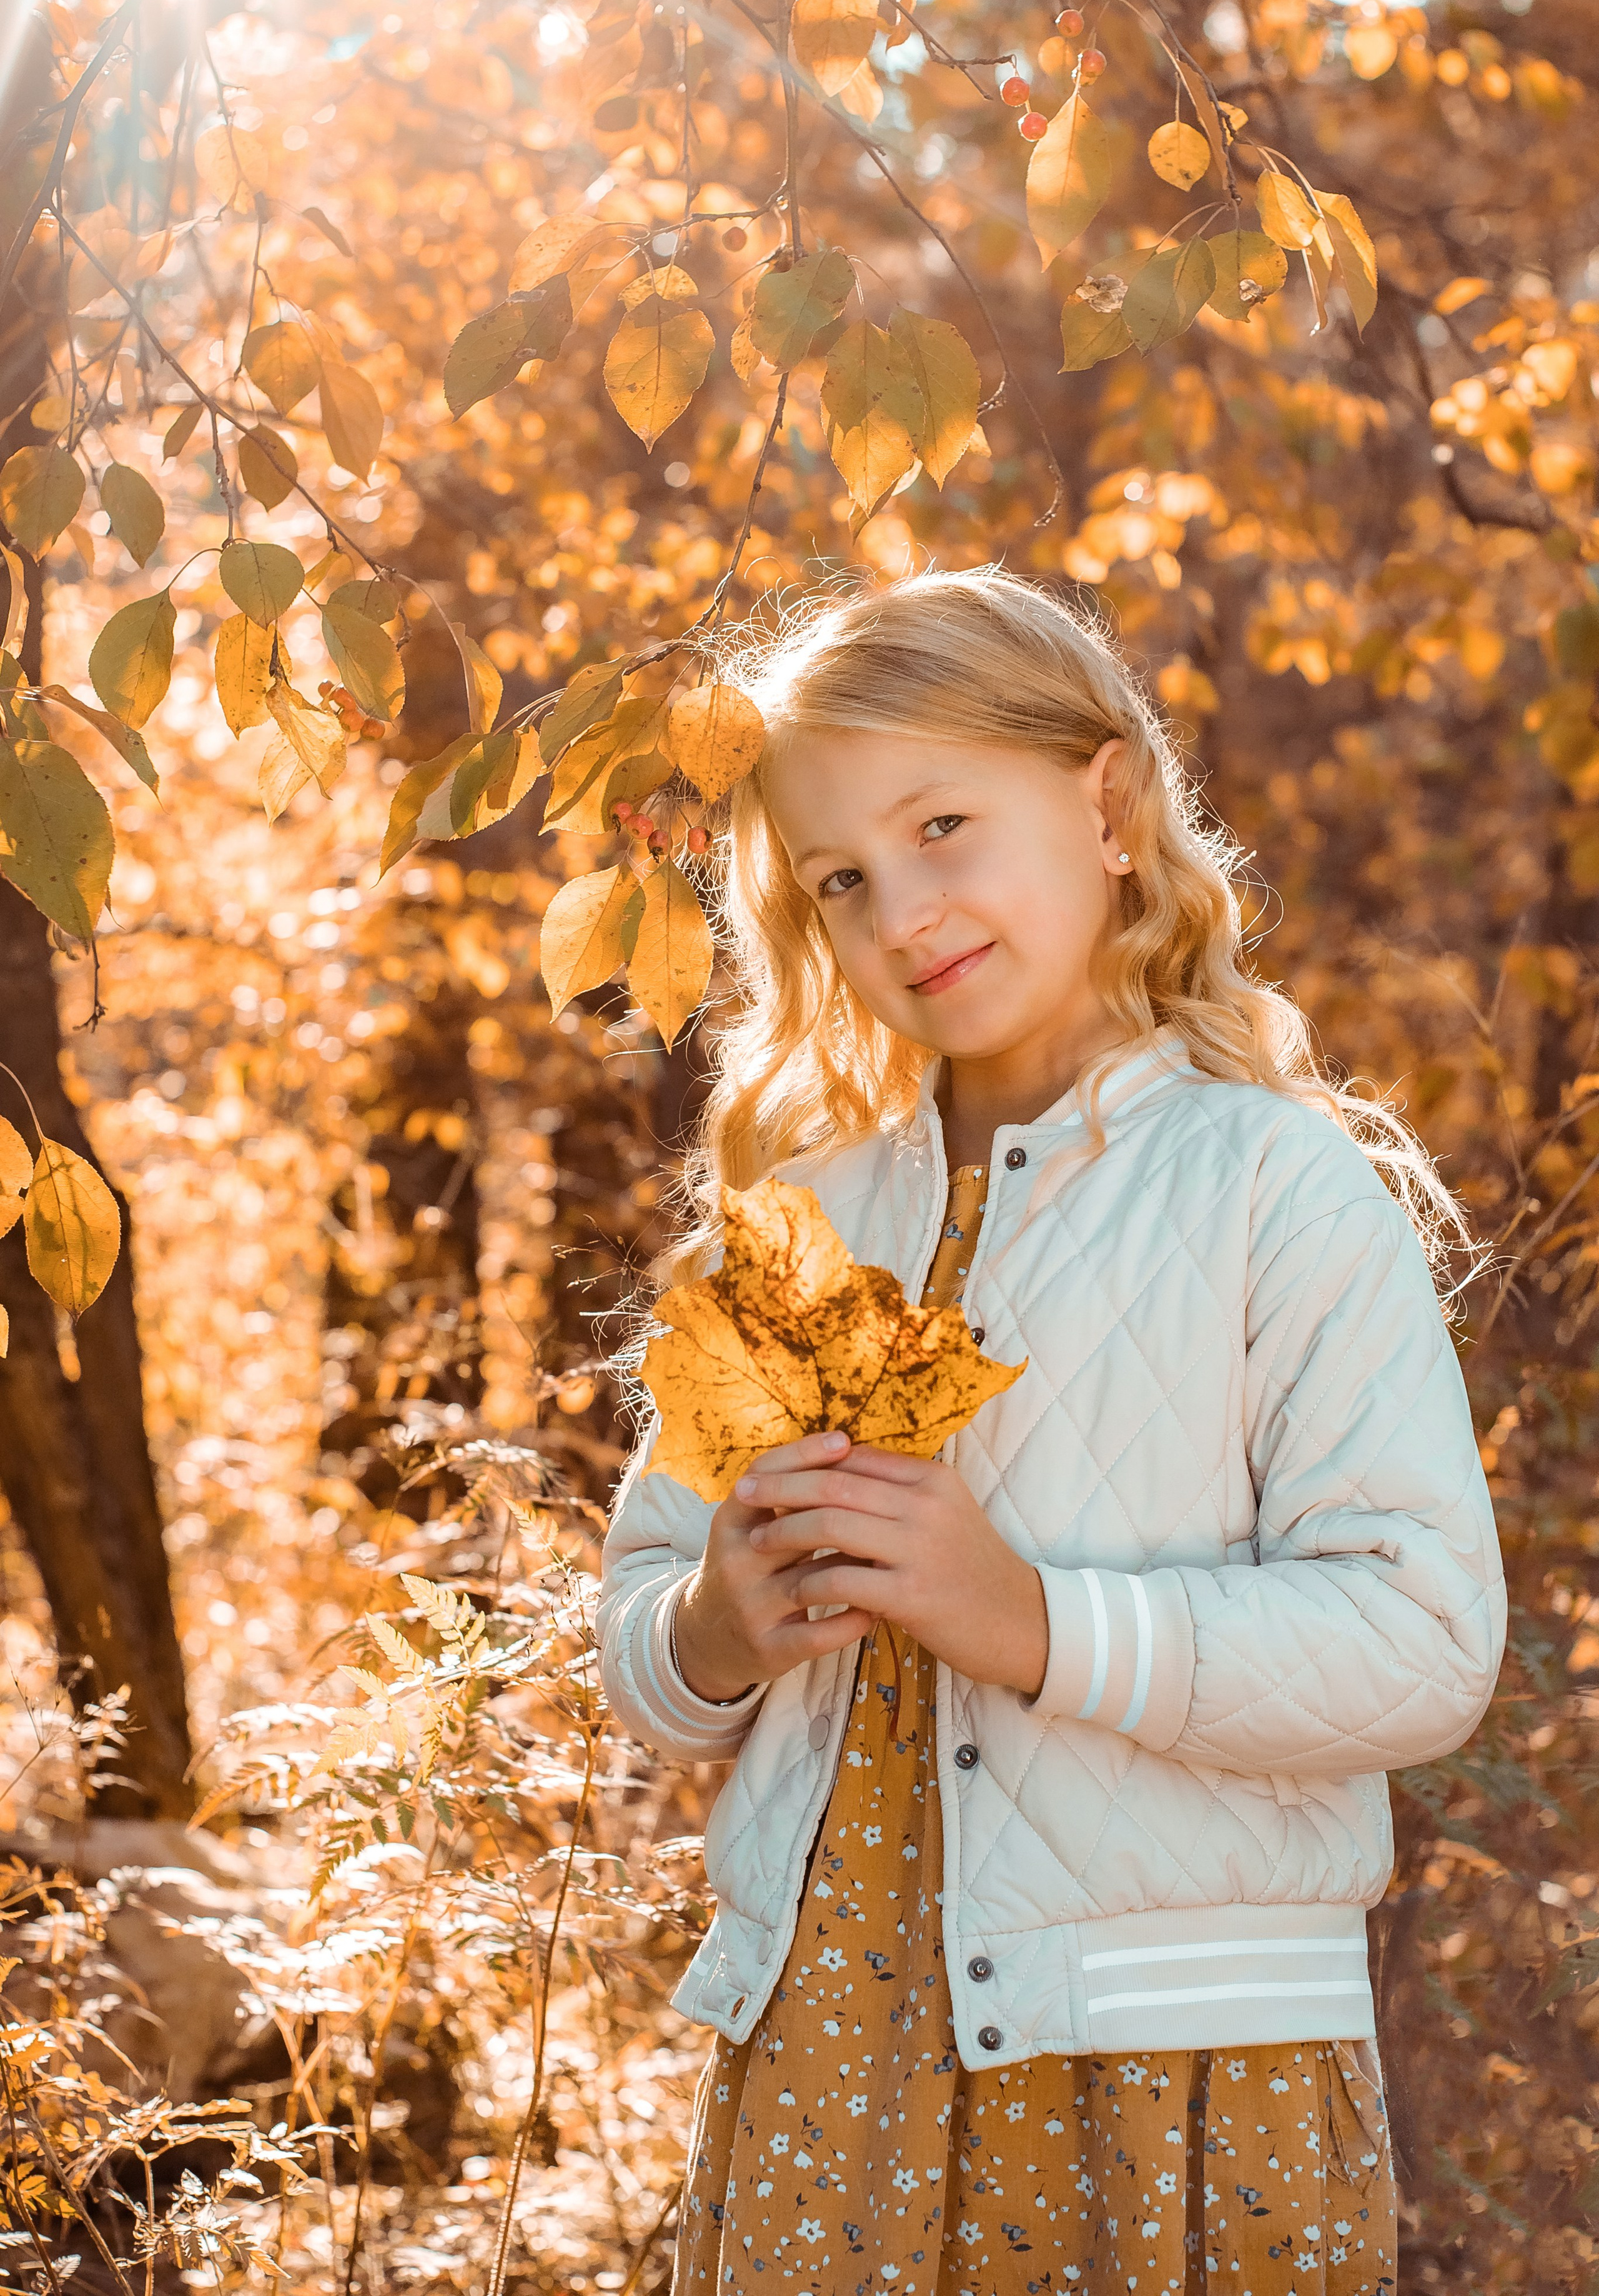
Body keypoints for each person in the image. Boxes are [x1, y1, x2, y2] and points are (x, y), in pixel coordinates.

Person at [597, 567, 1505, 2296]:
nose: (902, 909)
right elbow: (644, 1627)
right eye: (842, 879)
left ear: (1105, 804)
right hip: (826, 2074)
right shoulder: (799, 1216)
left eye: (945, 824)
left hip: (1172, 2077)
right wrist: (713, 1624)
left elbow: (1423, 1638)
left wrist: (1028, 1618)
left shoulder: (1268, 1181)